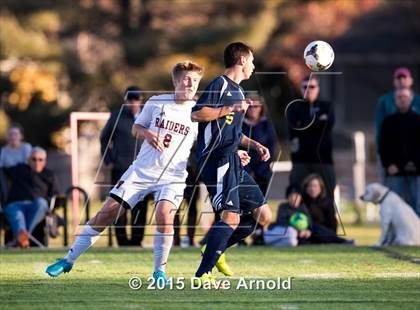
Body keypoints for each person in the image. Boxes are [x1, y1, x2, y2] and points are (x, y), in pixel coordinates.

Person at [46, 61, 204, 284]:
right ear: (176, 81)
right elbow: (136, 128)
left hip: (173, 177)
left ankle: (160, 271)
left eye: (195, 81)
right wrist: (148, 134)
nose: (191, 84)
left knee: (164, 215)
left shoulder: (199, 113)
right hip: (141, 171)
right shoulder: (157, 103)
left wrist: (236, 153)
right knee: (106, 213)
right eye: (187, 79)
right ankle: (68, 259)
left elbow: (211, 143)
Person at [191, 42, 272, 285]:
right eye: (253, 61)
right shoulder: (220, 84)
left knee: (263, 215)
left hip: (232, 159)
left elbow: (233, 133)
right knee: (231, 218)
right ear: (242, 60)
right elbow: (197, 113)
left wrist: (253, 145)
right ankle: (202, 274)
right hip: (216, 160)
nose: (254, 66)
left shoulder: (239, 92)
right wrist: (228, 108)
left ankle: (214, 249)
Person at [100, 86, 150, 247]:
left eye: (136, 99)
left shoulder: (148, 116)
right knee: (118, 205)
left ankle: (136, 241)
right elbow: (104, 139)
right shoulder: (116, 116)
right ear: (125, 101)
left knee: (140, 207)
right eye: (130, 99)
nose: (133, 103)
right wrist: (110, 160)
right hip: (121, 169)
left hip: (143, 171)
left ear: (141, 100)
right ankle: (122, 241)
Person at [288, 75, 336, 197]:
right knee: (296, 197)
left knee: (327, 197)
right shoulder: (294, 107)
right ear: (301, 88)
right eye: (305, 87)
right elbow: (293, 130)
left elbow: (328, 126)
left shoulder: (327, 106)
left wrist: (304, 124)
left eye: (312, 86)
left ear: (318, 88)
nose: (308, 89)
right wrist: (318, 121)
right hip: (300, 160)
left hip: (323, 160)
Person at [3, 147, 58, 248]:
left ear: (45, 161)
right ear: (28, 160)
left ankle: (20, 239)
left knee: (42, 203)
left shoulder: (49, 175)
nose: (37, 162)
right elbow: (2, 170)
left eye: (40, 159)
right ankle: (23, 239)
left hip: (37, 206)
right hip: (15, 204)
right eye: (34, 159)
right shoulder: (19, 169)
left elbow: (54, 194)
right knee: (17, 214)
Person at [378, 88, 420, 216]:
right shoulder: (388, 122)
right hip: (394, 172)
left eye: (405, 97)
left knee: (416, 207)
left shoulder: (418, 120)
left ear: (411, 99)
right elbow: (382, 146)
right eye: (399, 97)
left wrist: (415, 163)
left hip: (415, 172)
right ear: (395, 100)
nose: (402, 100)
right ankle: (395, 236)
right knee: (393, 208)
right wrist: (389, 164)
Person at [242, 94, 276, 245]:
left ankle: (259, 234)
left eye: (256, 106)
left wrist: (261, 169)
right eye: (250, 106)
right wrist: (248, 170)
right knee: (243, 205)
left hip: (263, 171)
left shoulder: (266, 125)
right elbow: (237, 146)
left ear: (261, 108)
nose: (253, 109)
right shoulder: (240, 124)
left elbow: (271, 148)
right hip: (244, 170)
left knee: (261, 205)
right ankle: (241, 236)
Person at [375, 67, 420, 149]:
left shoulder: (418, 101)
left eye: (404, 78)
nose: (402, 81)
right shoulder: (385, 101)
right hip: (393, 147)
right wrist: (380, 149)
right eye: (399, 78)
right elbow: (379, 127)